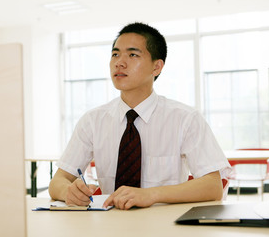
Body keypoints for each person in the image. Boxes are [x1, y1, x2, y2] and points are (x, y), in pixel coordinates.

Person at [49, 22, 231, 210]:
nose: (119, 62)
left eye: (133, 54)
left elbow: (212, 185)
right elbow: (58, 181)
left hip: (164, 225)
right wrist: (68, 191)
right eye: (115, 54)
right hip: (110, 224)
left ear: (157, 67)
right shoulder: (93, 121)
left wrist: (151, 194)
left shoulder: (185, 119)